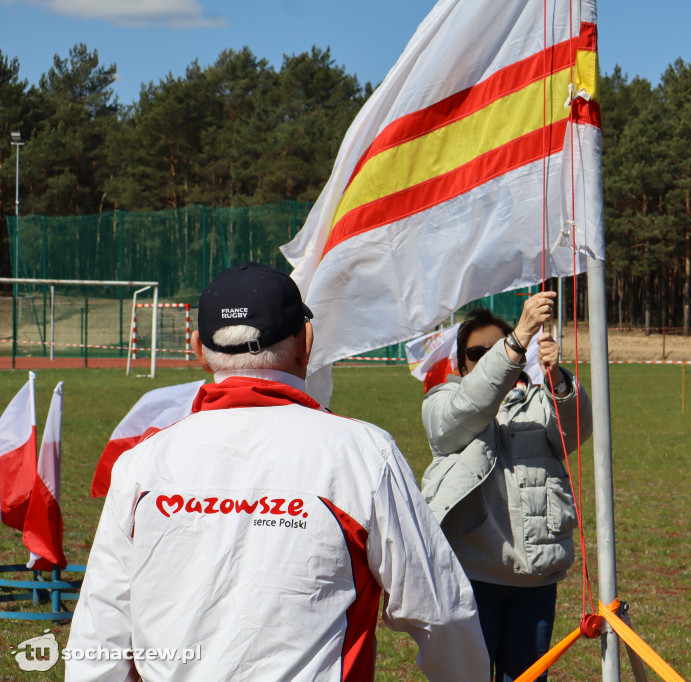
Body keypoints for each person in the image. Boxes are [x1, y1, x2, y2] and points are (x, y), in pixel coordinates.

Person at [65, 262, 488, 681]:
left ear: (196, 349)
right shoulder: (364, 452)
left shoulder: (142, 462)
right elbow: (440, 612)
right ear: (306, 341)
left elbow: (99, 636)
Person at [420, 290, 592, 682]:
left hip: (533, 579)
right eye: (476, 354)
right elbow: (465, 412)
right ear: (461, 364)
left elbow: (576, 429)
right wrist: (515, 340)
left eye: (496, 347)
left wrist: (559, 381)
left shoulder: (539, 398)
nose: (488, 357)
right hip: (469, 577)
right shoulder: (441, 401)